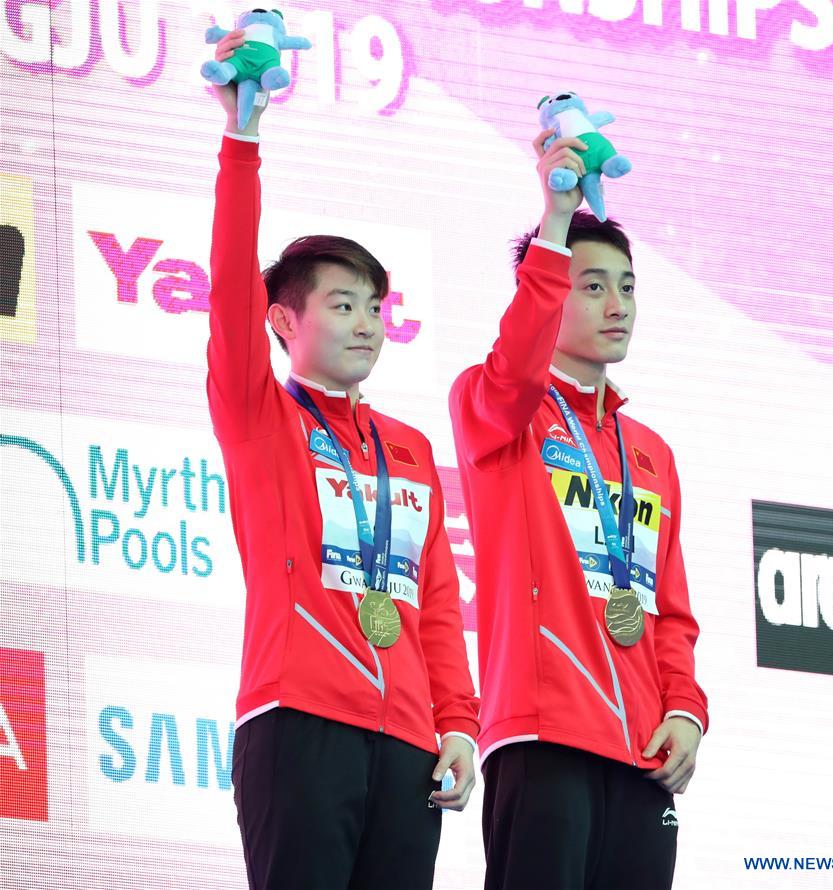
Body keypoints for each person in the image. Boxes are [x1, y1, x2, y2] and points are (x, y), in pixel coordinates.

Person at [205, 29, 479, 890]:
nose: (367, 323)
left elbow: (434, 600)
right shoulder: (262, 418)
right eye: (343, 304)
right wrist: (242, 142)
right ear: (284, 322)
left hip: (407, 745)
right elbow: (228, 291)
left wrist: (459, 724)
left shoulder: (408, 448)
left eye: (375, 307)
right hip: (298, 725)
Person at [449, 127, 708, 890]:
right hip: (542, 738)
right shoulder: (496, 409)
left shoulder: (651, 451)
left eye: (627, 286)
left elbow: (669, 612)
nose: (618, 304)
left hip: (642, 757)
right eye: (592, 286)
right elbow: (514, 366)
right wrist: (554, 222)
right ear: (550, 292)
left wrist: (686, 712)